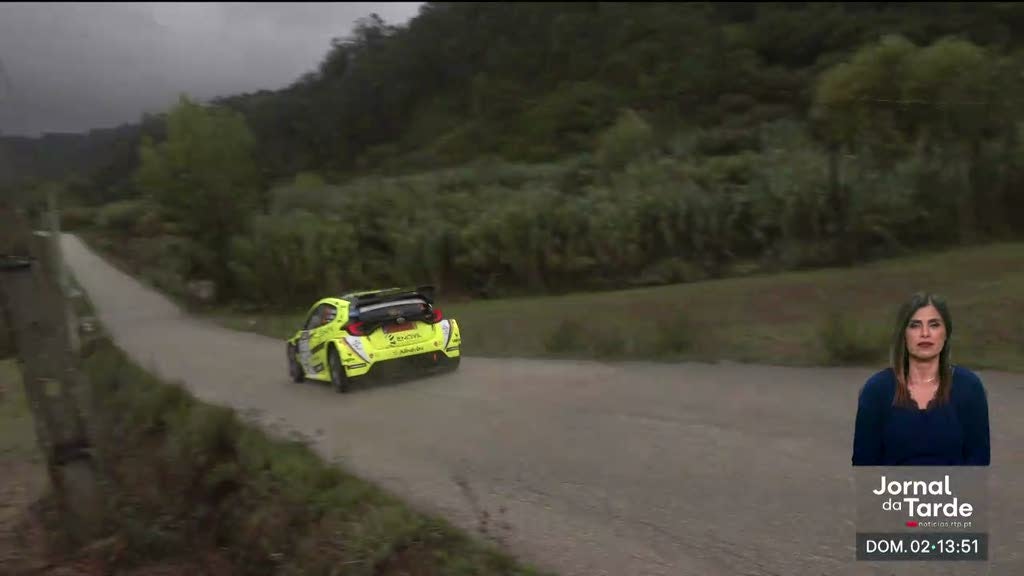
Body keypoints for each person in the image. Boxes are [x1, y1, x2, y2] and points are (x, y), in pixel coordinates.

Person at [851, 292, 990, 466]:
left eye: (934, 325)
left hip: (954, 485)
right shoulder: (877, 390)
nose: (925, 333)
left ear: (946, 333)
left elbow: (979, 463)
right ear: (903, 334)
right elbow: (864, 467)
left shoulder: (969, 387)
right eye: (915, 326)